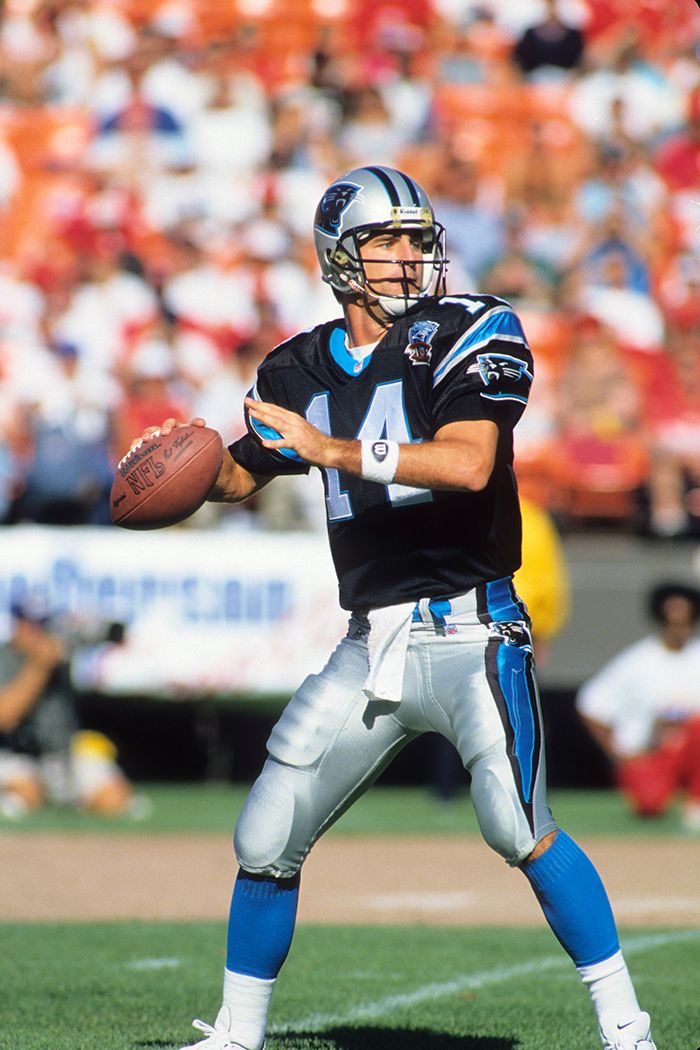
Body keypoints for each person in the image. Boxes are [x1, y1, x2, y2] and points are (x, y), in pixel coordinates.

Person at [132, 166, 656, 1050]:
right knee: (267, 834)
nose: (414, 257)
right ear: (340, 259)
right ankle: (235, 1036)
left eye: (420, 239)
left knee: (516, 824)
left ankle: (627, 1028)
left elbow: (467, 463)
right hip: (369, 639)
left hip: (472, 625)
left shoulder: (472, 328)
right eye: (390, 241)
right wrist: (167, 463)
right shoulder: (296, 368)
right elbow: (235, 473)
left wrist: (327, 448)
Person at [577, 581, 700, 830]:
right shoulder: (638, 660)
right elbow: (590, 704)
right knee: (650, 803)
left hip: (691, 754)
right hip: (649, 754)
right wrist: (618, 754)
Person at [0, 605, 136, 818]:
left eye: (41, 625)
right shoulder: (4, 657)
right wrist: (38, 668)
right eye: (30, 625)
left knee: (113, 799)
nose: (37, 633)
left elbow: (113, 634)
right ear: (16, 626)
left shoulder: (61, 648)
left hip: (61, 755)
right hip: (15, 755)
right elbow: (5, 716)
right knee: (24, 794)